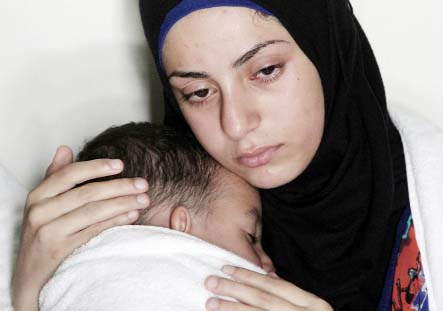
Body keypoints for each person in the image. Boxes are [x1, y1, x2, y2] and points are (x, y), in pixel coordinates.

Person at [12, 1, 443, 311]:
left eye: (265, 70)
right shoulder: (155, 216)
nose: (235, 123)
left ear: (328, 51)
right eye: (198, 91)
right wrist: (32, 291)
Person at [38, 122, 274, 310]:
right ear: (181, 225)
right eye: (250, 237)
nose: (267, 262)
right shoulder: (205, 290)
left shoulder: (69, 283)